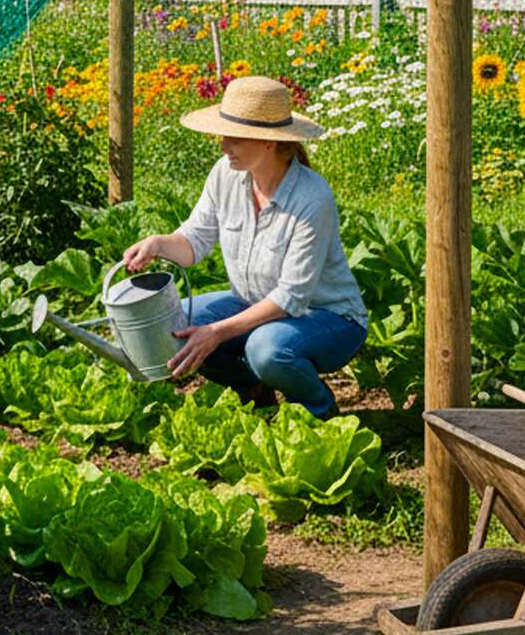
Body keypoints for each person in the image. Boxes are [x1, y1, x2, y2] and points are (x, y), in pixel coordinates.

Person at [120, 73, 367, 420]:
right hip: (252, 304)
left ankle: (321, 414)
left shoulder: (312, 197)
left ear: (268, 142)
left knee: (266, 349)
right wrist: (158, 244)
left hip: (327, 317)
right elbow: (195, 241)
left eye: (233, 137)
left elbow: (291, 297)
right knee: (179, 325)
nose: (223, 145)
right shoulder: (226, 174)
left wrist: (217, 332)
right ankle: (256, 394)